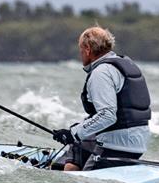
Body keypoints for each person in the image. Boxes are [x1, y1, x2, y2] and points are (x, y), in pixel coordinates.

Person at [52, 27, 151, 171]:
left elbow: (107, 115)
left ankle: (72, 178)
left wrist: (73, 133)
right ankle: (70, 168)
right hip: (138, 142)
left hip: (117, 146)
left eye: (80, 49)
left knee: (77, 140)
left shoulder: (101, 73)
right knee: (78, 144)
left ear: (87, 49)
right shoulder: (125, 63)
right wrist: (76, 133)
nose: (80, 54)